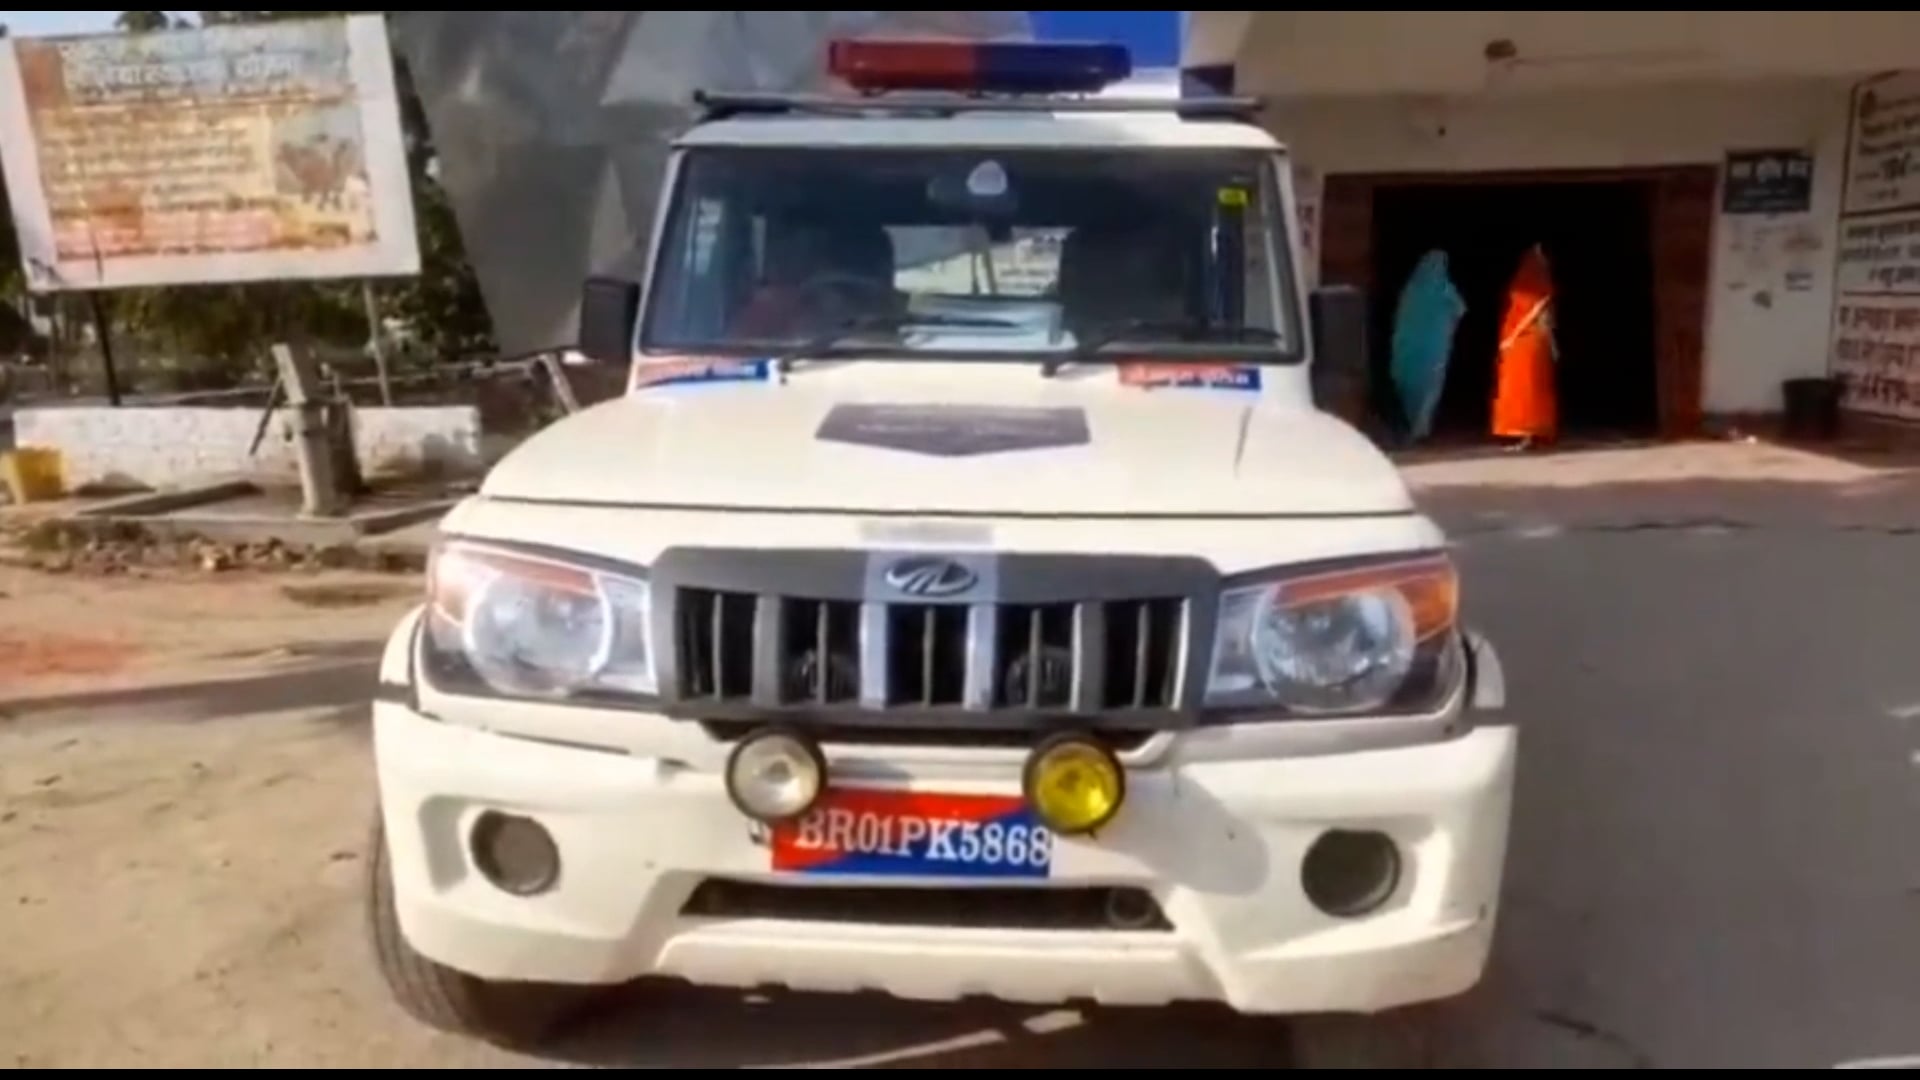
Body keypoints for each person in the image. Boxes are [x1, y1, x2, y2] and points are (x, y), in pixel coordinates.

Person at [1389, 249, 1466, 444]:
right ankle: (1420, 428)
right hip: (1435, 349)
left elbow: (1400, 317)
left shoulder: (1412, 289)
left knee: (1410, 386)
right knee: (1430, 389)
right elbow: (1461, 310)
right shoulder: (1444, 289)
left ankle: (1414, 426)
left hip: (1409, 349)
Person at [1490, 244, 1559, 450]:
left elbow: (1535, 316)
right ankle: (1534, 433)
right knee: (1534, 389)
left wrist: (1511, 338)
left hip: (1523, 344)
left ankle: (1527, 434)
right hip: (1534, 343)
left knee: (1524, 389)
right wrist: (1553, 345)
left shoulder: (1528, 287)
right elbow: (1546, 320)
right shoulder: (1542, 287)